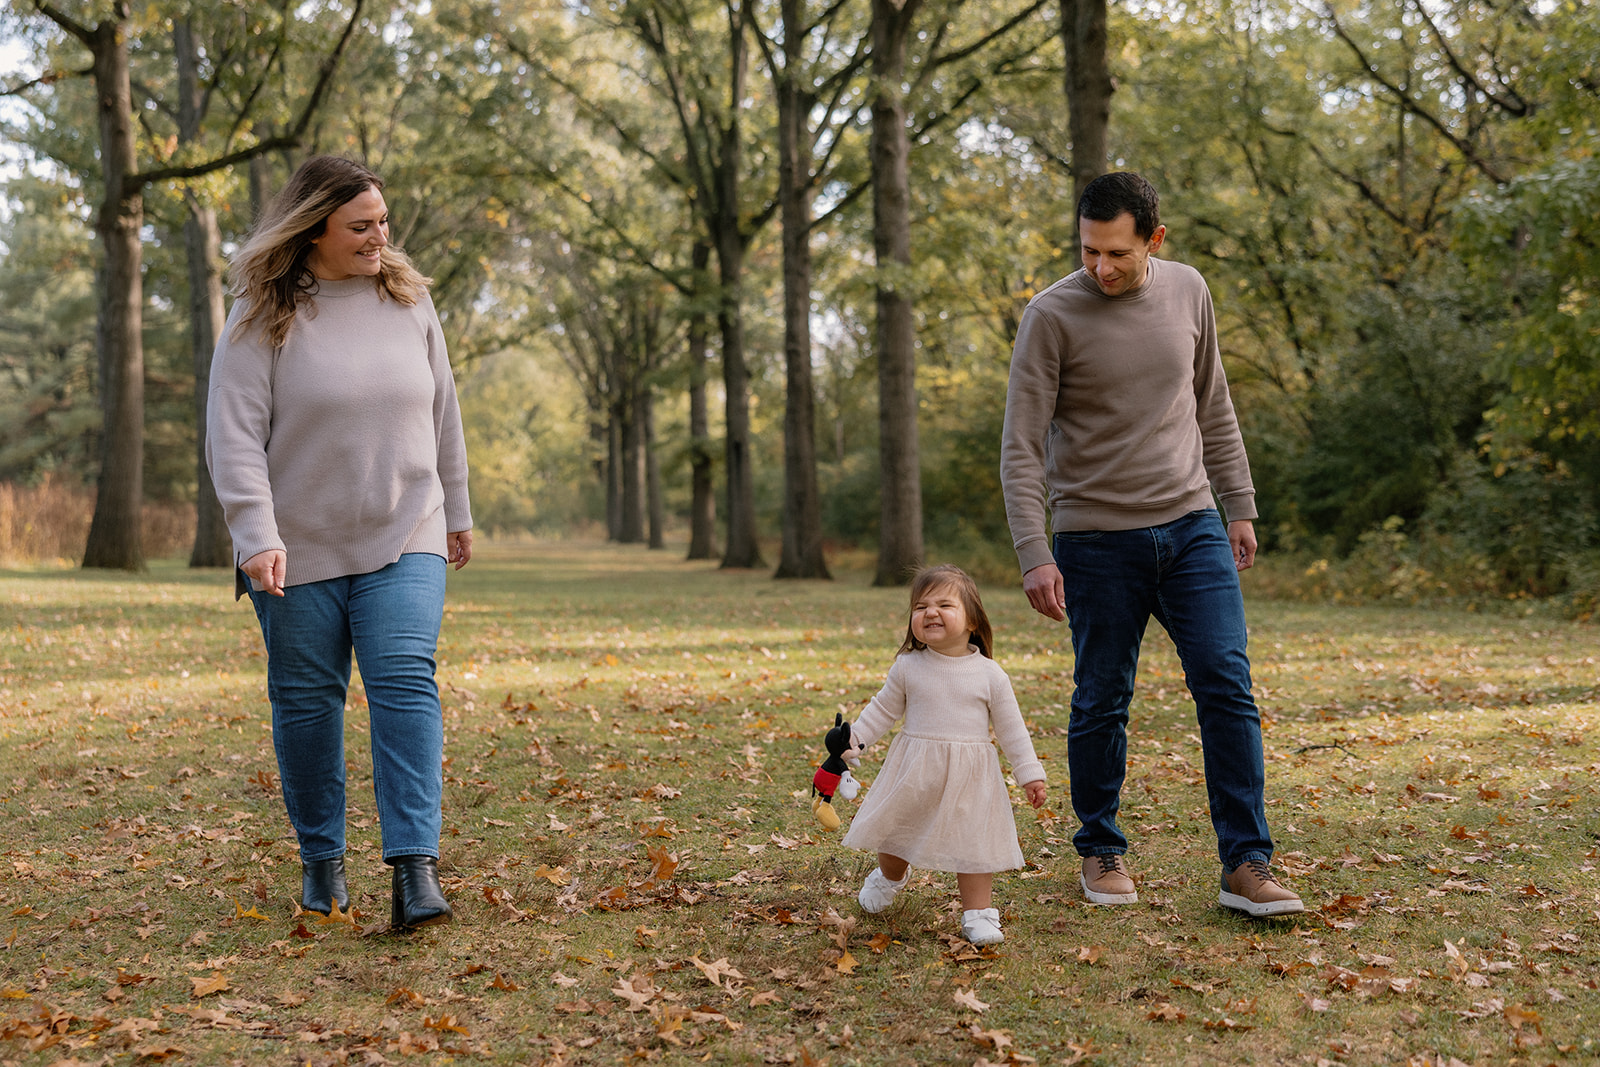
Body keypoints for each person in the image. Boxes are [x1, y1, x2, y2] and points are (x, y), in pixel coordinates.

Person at [999, 172, 1303, 917]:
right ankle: (1100, 846)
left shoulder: (1189, 290)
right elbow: (1020, 444)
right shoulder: (1051, 315)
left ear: (1154, 241)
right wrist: (1034, 550)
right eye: (1089, 250)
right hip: (1095, 537)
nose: (1101, 267)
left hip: (1192, 522)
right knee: (1103, 696)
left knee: (1227, 683)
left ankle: (1247, 862)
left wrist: (1240, 504)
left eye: (1118, 253)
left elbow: (1213, 402)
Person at [206, 155, 473, 930]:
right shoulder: (263, 311)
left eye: (383, 222)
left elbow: (443, 409)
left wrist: (455, 507)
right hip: (298, 544)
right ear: (314, 226)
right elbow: (233, 432)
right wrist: (254, 533)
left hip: (407, 526)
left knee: (403, 678)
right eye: (361, 226)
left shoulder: (408, 297)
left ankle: (414, 870)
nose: (379, 237)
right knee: (307, 702)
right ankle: (322, 859)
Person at [838, 565, 1048, 946]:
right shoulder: (909, 667)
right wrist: (854, 739)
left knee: (973, 846)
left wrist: (1029, 773)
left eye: (944, 604)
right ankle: (890, 876)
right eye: (920, 606)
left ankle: (978, 914)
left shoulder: (990, 675)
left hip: (970, 776)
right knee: (895, 833)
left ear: (972, 620)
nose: (930, 612)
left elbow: (1011, 729)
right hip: (914, 770)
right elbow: (883, 709)